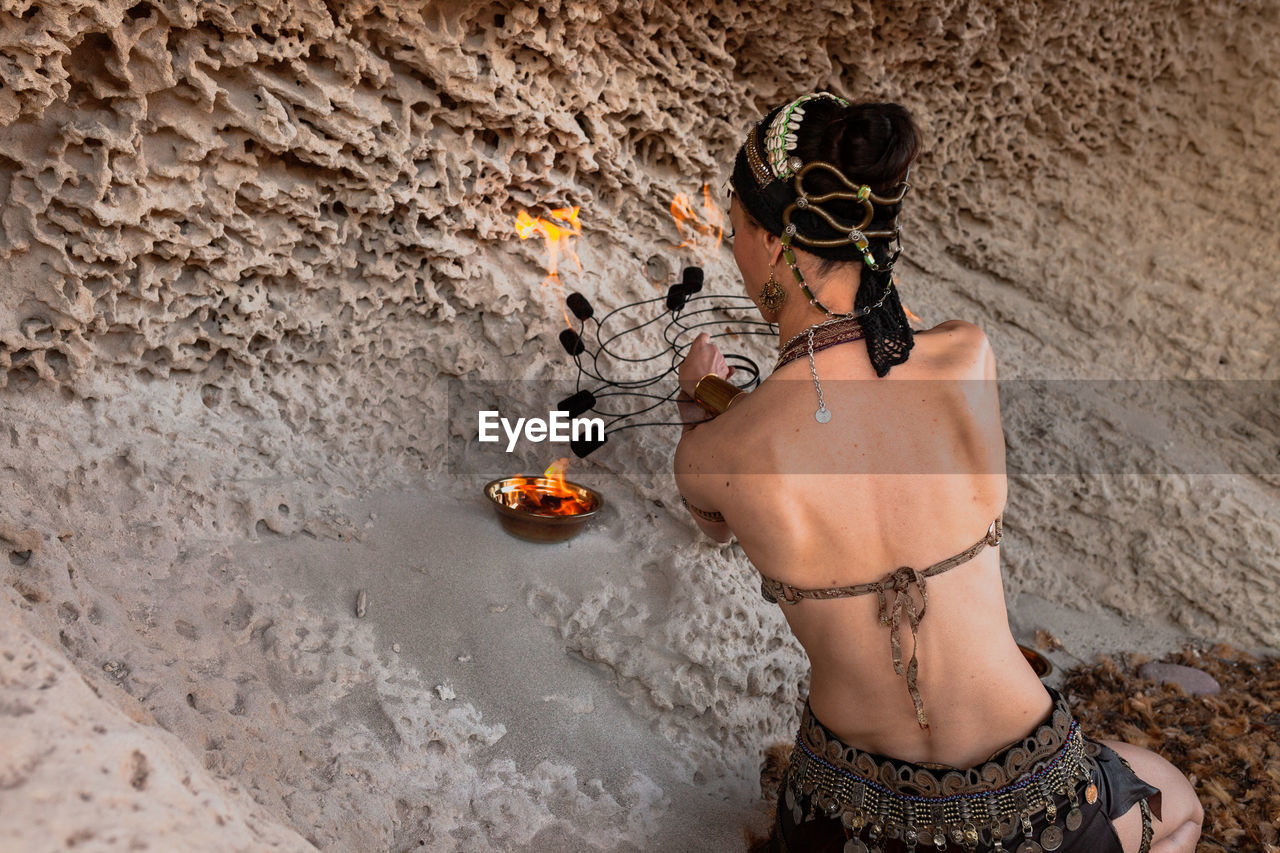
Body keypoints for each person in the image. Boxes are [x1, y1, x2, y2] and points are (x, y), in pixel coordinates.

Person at [672, 94, 1203, 852]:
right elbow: (888, 353)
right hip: (1031, 809)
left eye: (734, 223)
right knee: (1178, 806)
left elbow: (713, 520)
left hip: (846, 821)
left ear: (769, 241)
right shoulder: (967, 357)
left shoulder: (721, 455)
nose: (730, 240)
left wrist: (699, 406)